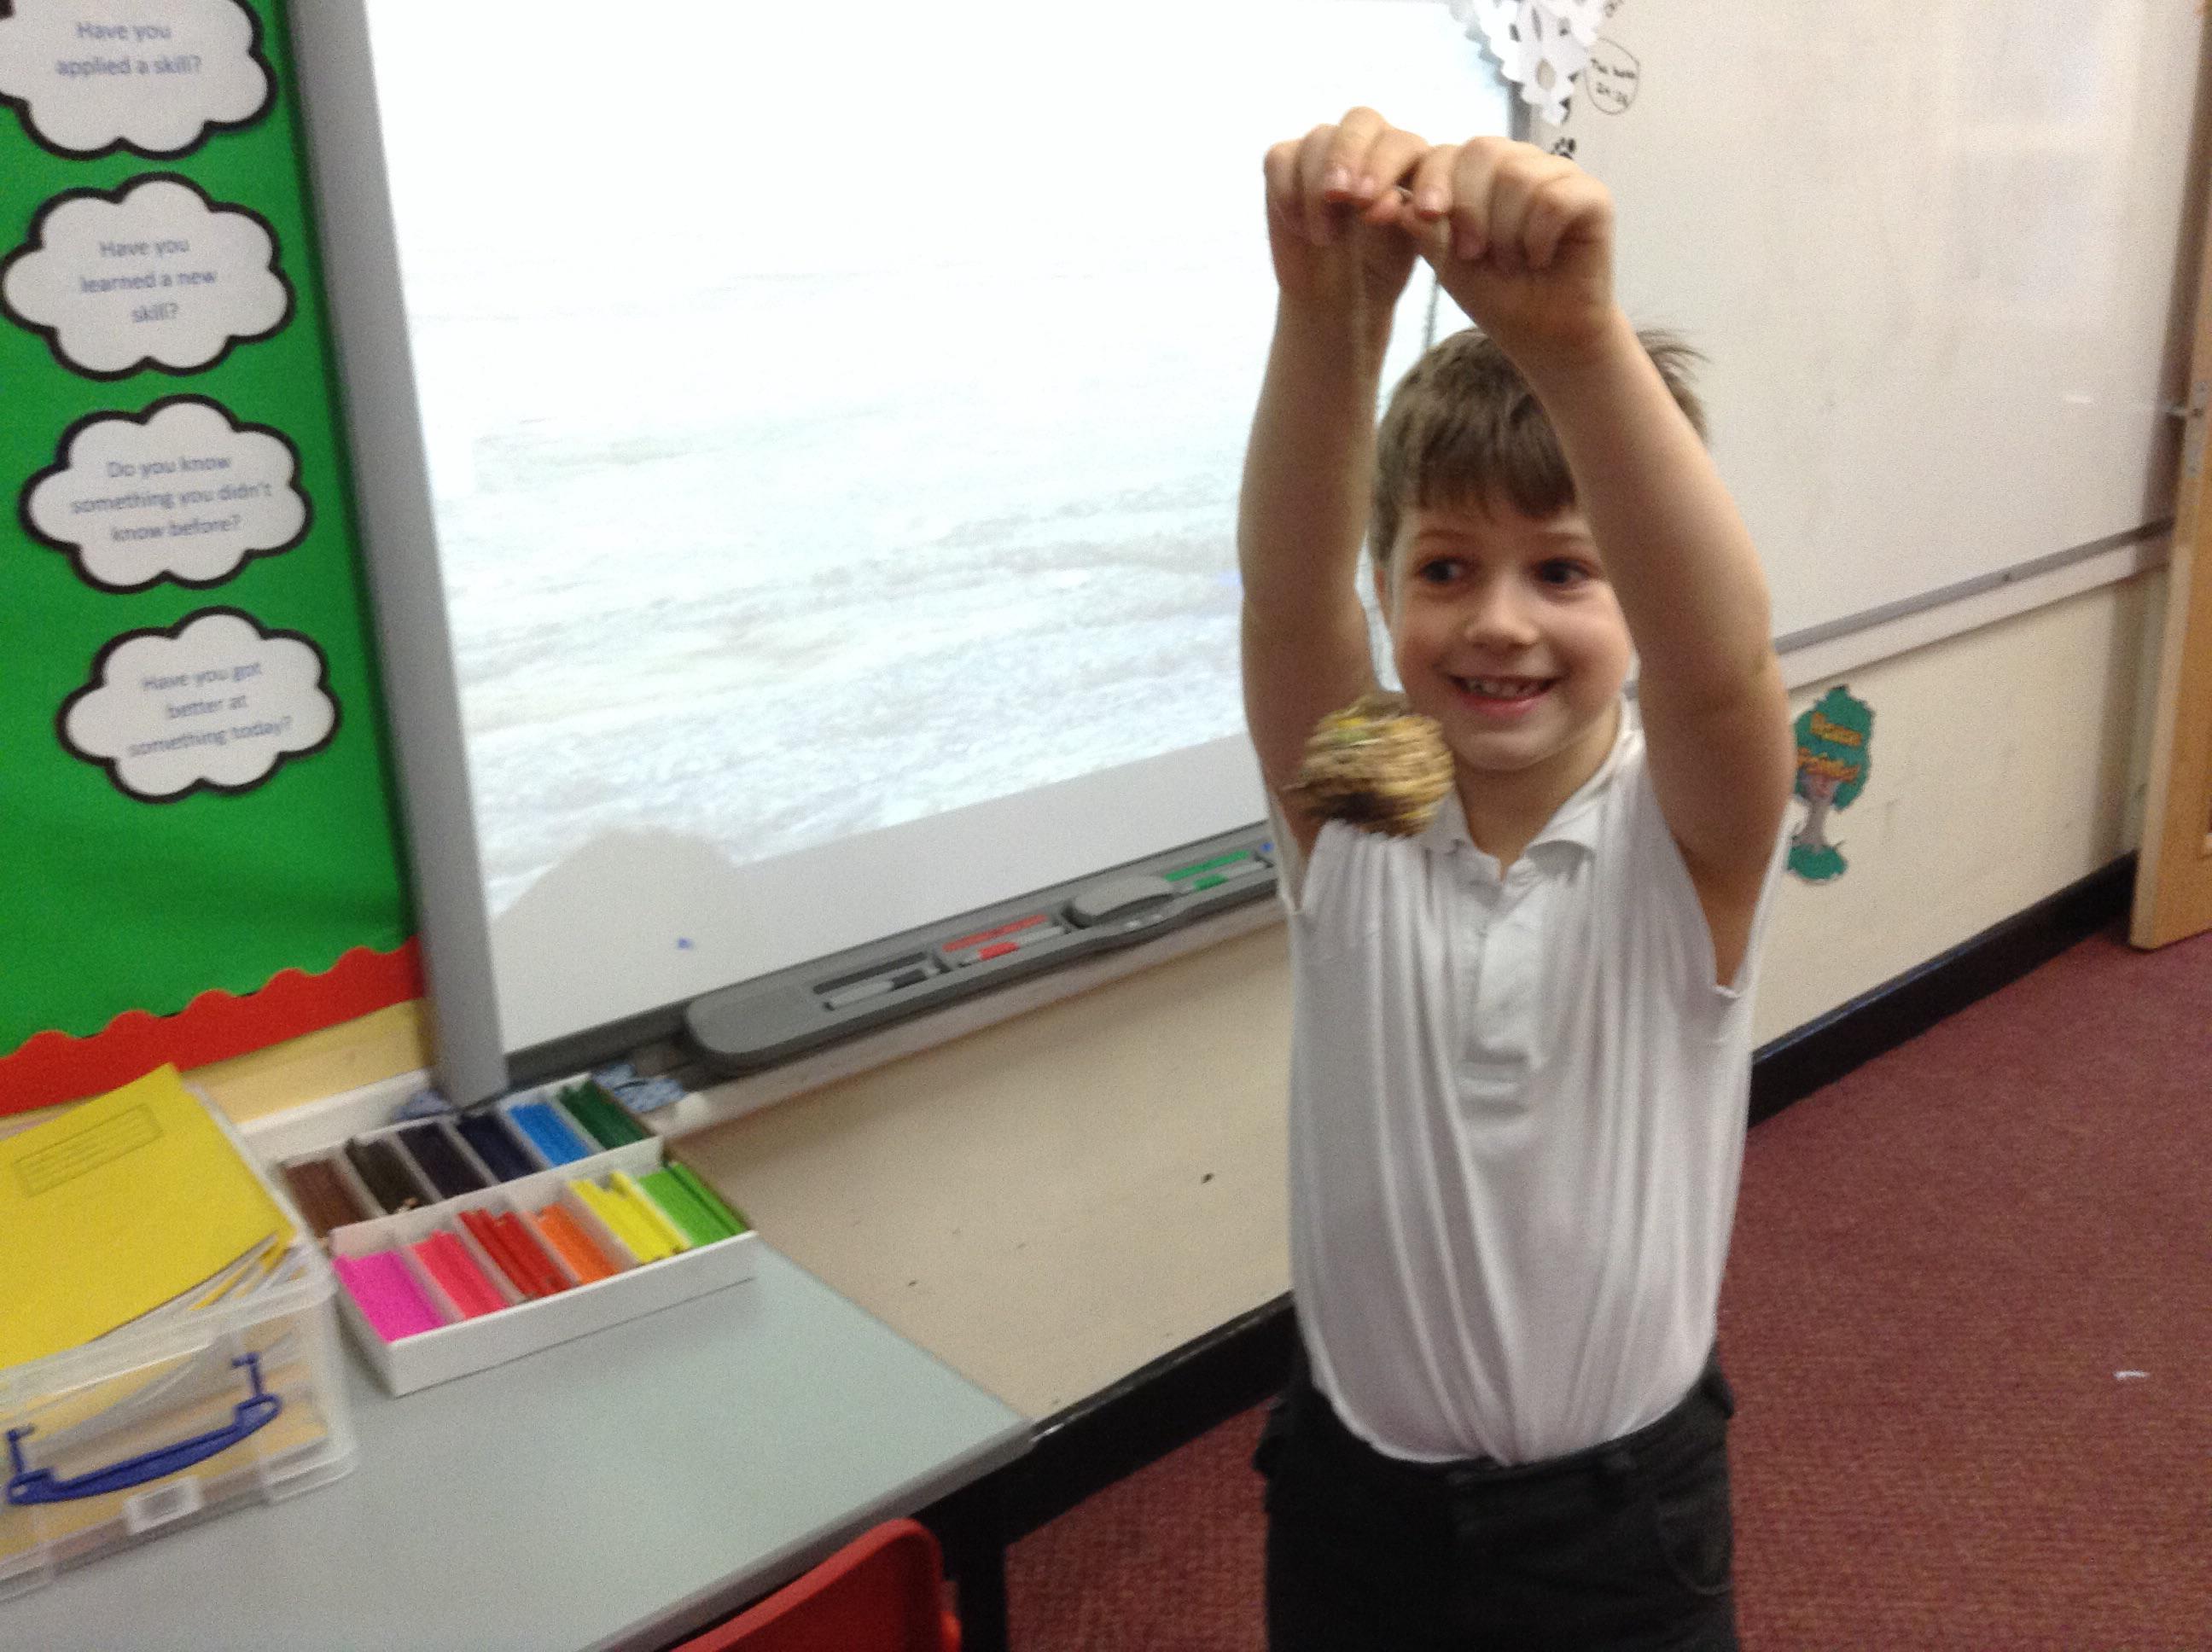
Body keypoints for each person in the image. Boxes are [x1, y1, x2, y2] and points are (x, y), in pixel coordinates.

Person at [1237, 107, 1797, 1650]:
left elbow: (1722, 668)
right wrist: (1330, 321)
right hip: (1353, 1503)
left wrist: (1580, 345)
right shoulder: (1358, 811)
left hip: (1616, 1533)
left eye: (1563, 569)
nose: (1497, 621)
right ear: (1388, 585)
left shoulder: (1685, 841)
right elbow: (1286, 602)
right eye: (1443, 568)